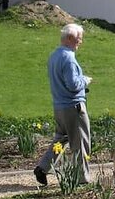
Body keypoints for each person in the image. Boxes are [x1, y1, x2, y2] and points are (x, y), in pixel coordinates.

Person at [34, 23, 92, 185]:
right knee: (80, 142)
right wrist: (85, 80)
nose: (80, 41)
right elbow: (73, 85)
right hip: (73, 107)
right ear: (69, 38)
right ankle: (82, 178)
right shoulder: (69, 58)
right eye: (78, 38)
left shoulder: (54, 56)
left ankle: (43, 168)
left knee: (61, 138)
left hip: (59, 105)